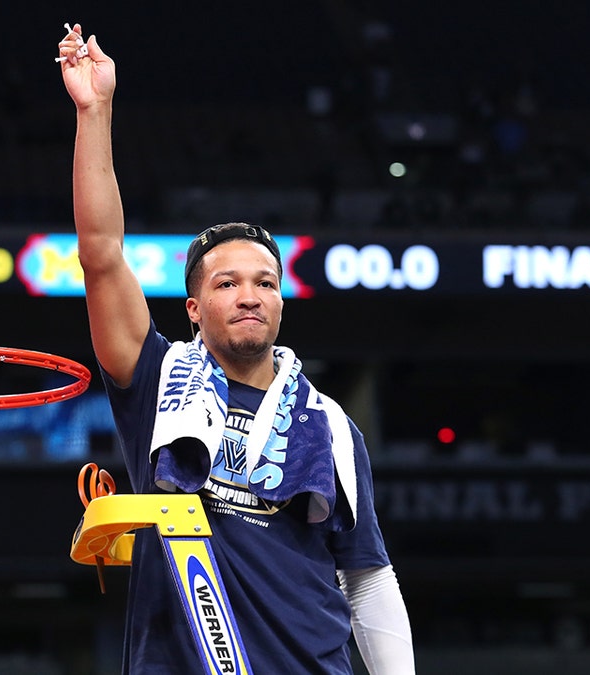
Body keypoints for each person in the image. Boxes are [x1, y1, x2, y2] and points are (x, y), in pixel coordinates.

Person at [58, 24, 415, 674]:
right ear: (194, 309)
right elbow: (102, 255)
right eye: (227, 283)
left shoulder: (332, 426)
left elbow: (366, 579)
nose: (250, 295)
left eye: (265, 283)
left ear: (281, 302)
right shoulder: (157, 381)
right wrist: (94, 111)